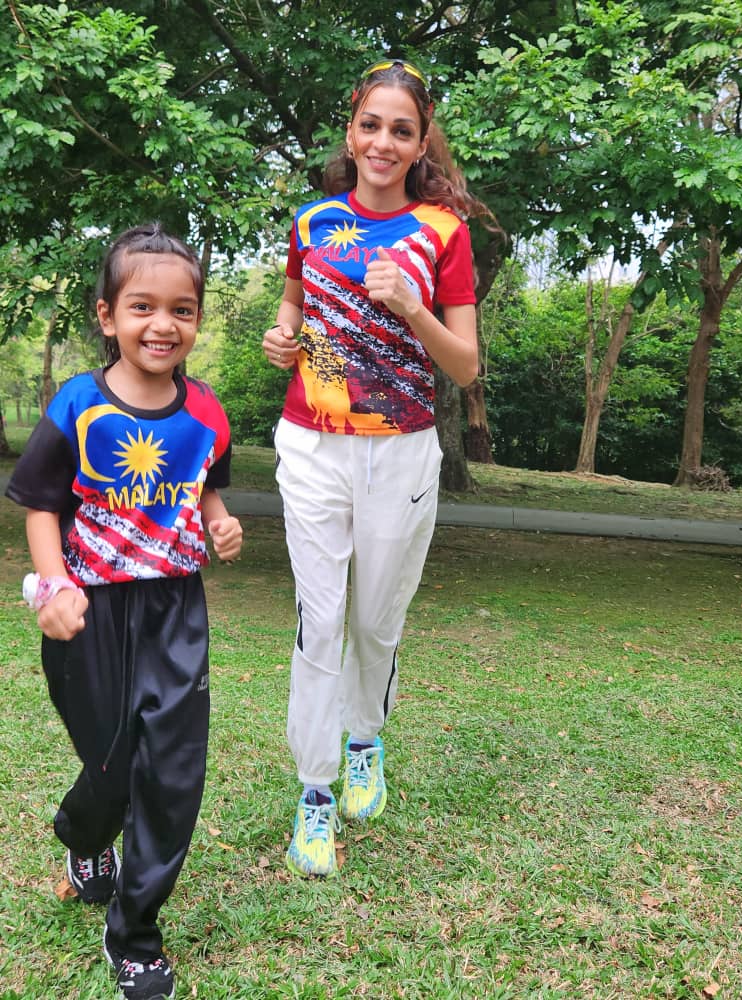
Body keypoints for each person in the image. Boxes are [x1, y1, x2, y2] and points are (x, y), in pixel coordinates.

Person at [261, 58, 491, 878]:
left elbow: (464, 367)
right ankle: (315, 795)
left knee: (374, 621)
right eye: (371, 125)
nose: (383, 141)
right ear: (350, 130)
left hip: (402, 453)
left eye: (402, 128)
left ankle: (366, 740)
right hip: (312, 445)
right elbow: (294, 306)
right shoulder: (313, 221)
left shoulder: (443, 232)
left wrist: (412, 307)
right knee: (319, 621)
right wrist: (280, 337)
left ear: (421, 138)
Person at [5, 223, 243, 1000]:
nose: (163, 324)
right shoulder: (77, 403)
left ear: (198, 320)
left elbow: (206, 479)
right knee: (109, 762)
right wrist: (54, 588)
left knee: (170, 773)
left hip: (176, 608)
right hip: (90, 612)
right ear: (109, 316)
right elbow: (40, 504)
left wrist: (216, 519)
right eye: (143, 306)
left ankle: (136, 934)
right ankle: (83, 838)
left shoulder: (207, 410)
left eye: (182, 309)